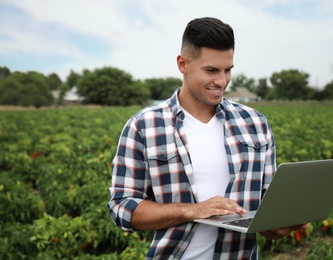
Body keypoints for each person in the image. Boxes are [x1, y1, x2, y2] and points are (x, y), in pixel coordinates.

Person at [108, 17, 308, 259]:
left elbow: (266, 205)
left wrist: (278, 224)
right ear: (183, 64)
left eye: (228, 70)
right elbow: (122, 208)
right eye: (211, 70)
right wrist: (192, 211)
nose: (221, 81)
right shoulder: (144, 126)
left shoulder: (255, 123)